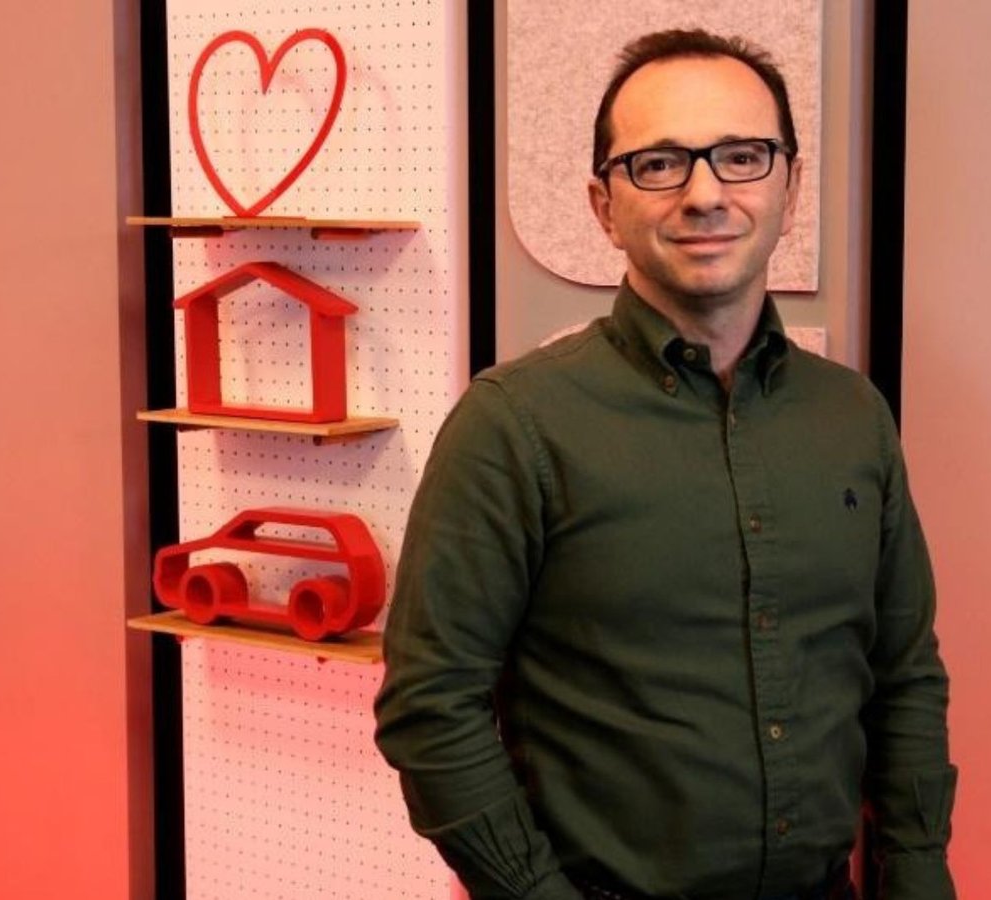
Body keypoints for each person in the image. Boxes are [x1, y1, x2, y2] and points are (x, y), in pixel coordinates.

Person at [375, 28, 956, 900]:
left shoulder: (853, 417)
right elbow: (430, 708)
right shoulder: (514, 426)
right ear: (603, 205)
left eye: (742, 157)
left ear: (791, 186)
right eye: (659, 164)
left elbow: (904, 673)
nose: (705, 194)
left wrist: (917, 874)